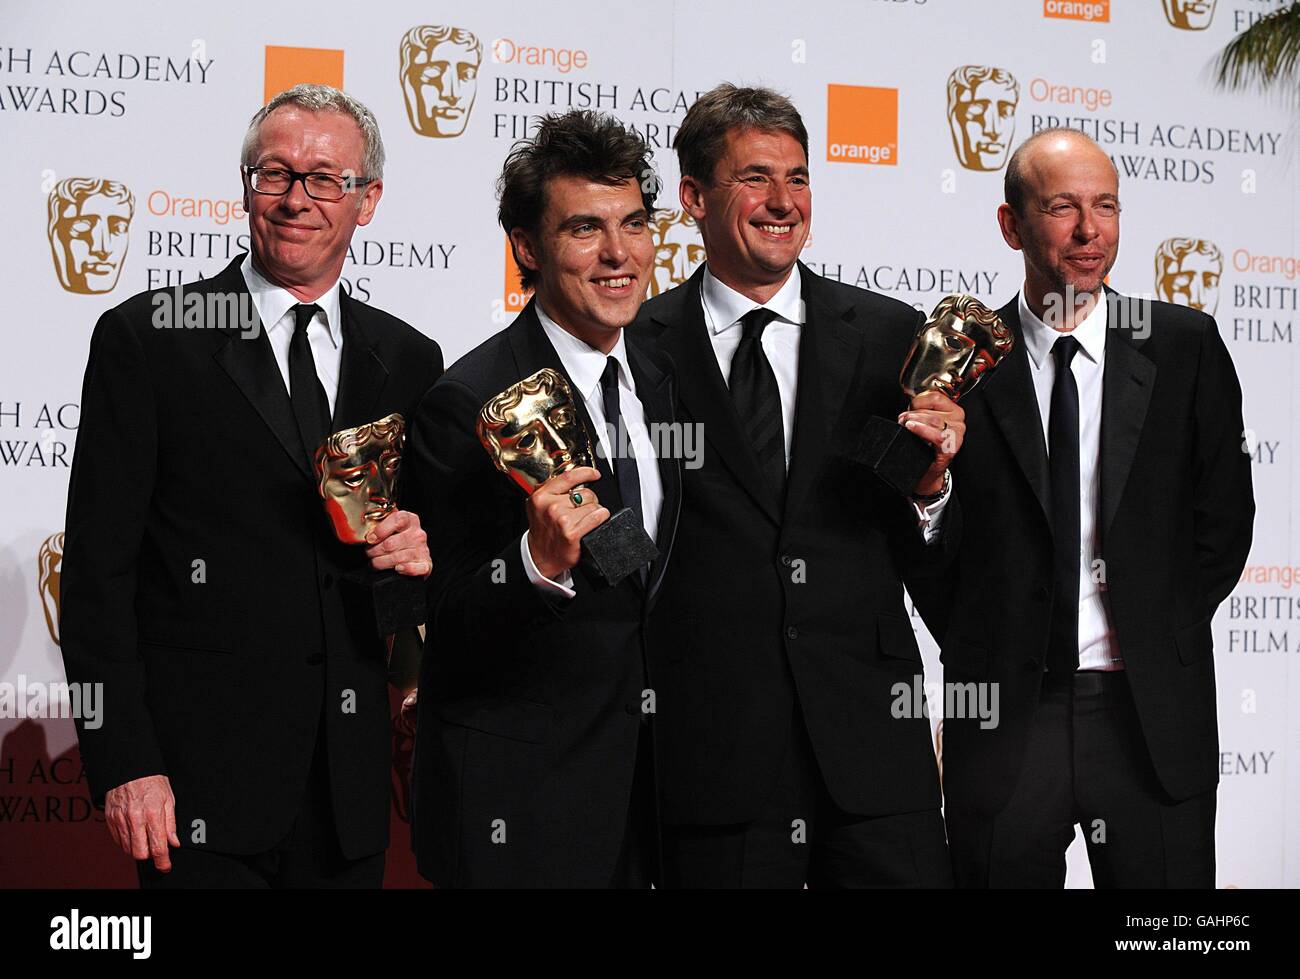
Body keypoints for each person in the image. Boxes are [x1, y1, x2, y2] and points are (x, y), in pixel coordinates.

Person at [59, 83, 444, 888]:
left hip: (347, 795)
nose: (296, 198)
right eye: (275, 174)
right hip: (197, 794)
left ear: (367, 200)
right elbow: (96, 578)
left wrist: (415, 559)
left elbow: (394, 589)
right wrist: (126, 761)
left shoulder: (408, 360)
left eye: (325, 178)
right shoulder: (149, 338)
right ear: (246, 187)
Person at [633, 83, 964, 888]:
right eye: (755, 178)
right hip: (712, 756)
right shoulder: (638, 350)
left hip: (872, 752)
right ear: (693, 197)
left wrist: (931, 491)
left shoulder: (890, 334)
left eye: (799, 178)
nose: (783, 202)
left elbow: (940, 553)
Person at [925, 127, 1254, 887]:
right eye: (1063, 206)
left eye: (1105, 205)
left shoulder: (1183, 346)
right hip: (1006, 719)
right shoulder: (964, 361)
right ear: (1011, 225)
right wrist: (990, 641)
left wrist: (1152, 627)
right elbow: (931, 544)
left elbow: (1225, 524)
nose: (1089, 230)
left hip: (1148, 719)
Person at [407, 110, 679, 888]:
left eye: (633, 223)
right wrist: (534, 562)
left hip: (655, 807)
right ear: (527, 247)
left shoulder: (667, 379)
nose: (619, 254)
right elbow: (444, 619)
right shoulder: (468, 399)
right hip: (520, 815)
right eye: (585, 229)